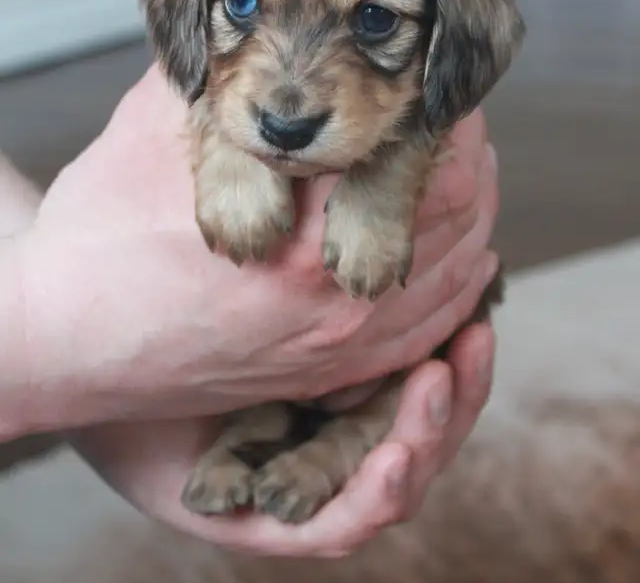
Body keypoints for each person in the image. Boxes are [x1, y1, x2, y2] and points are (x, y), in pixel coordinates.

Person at [0, 65, 499, 557]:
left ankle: (328, 441)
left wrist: (85, 377)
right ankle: (256, 433)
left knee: (425, 362)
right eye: (243, 14)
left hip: (390, 360)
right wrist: (46, 335)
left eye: (375, 22)